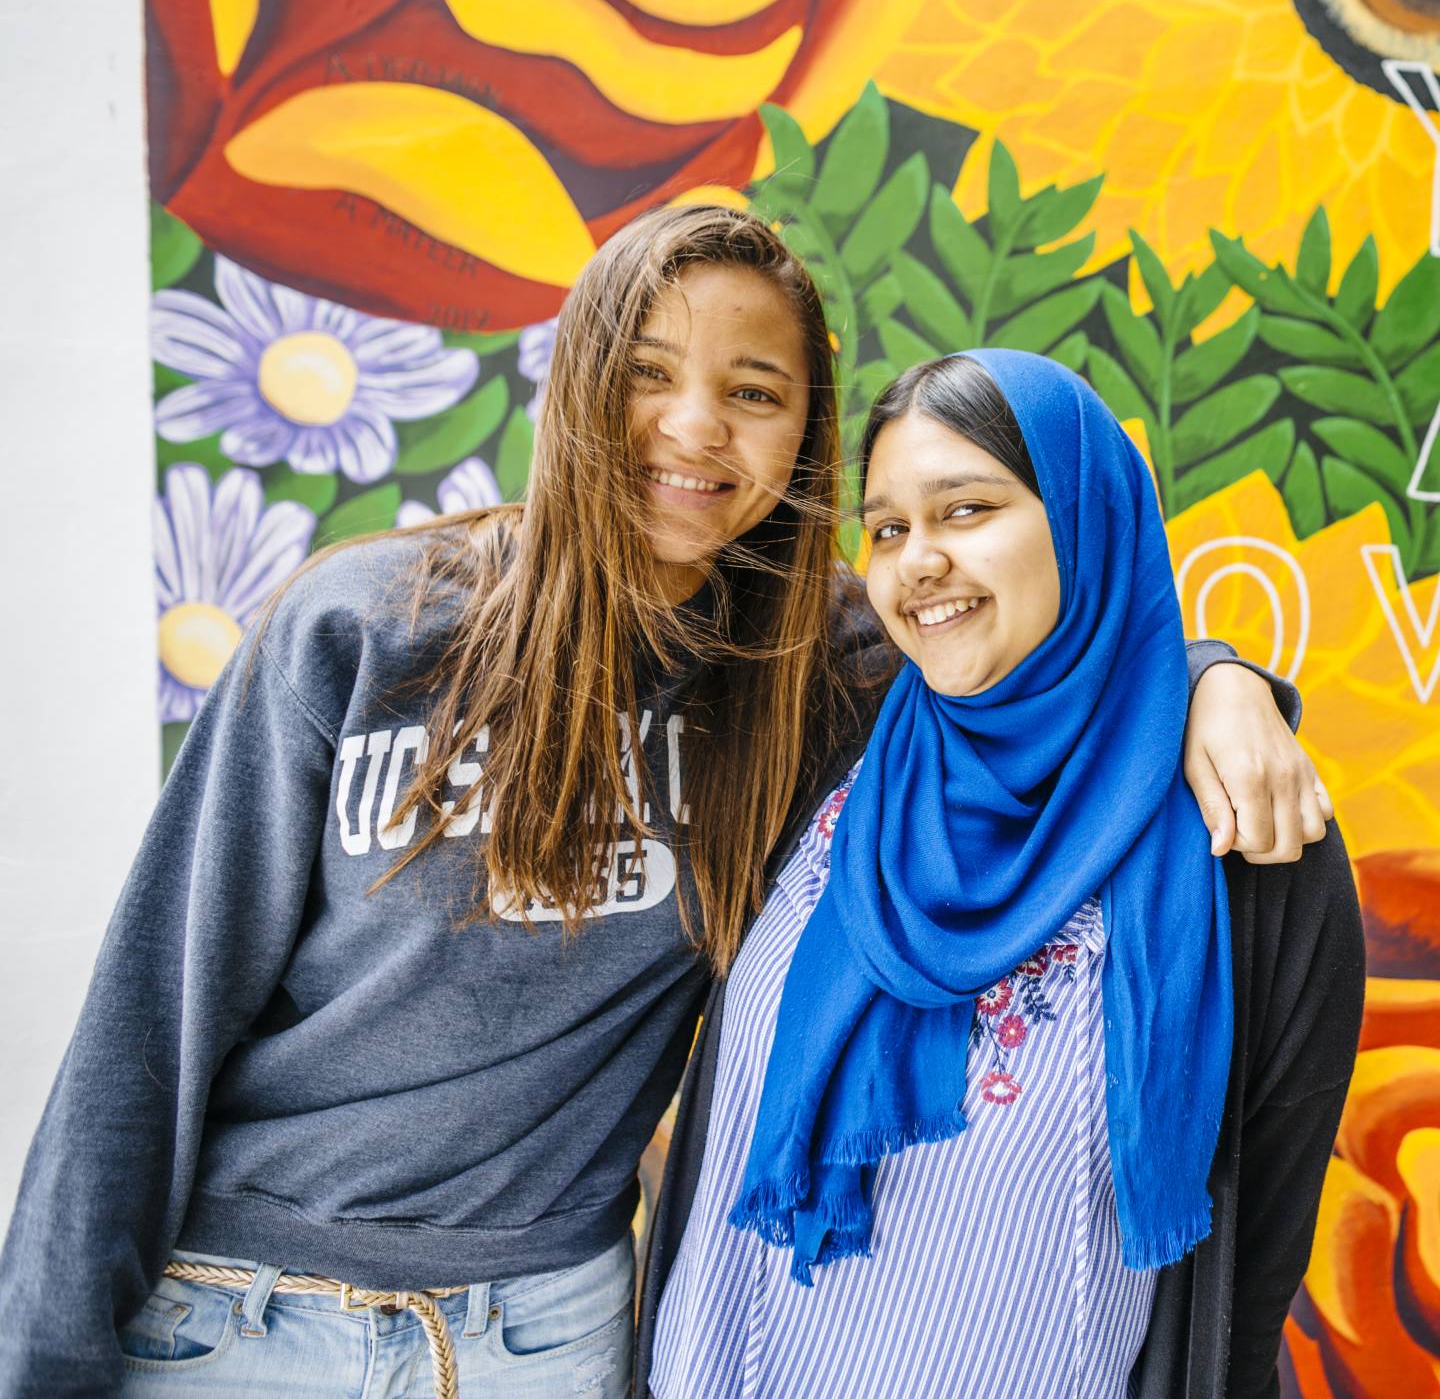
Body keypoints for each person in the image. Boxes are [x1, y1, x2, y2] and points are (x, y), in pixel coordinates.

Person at [0, 213, 1324, 1399]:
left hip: (548, 1330)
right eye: (646, 373)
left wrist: (1218, 681)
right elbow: (149, 1016)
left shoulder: (816, 678)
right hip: (244, 1311)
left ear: (802, 432)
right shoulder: (366, 630)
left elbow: (1047, 634)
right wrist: (46, 1357)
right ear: (577, 385)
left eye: (754, 392)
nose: (695, 429)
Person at [642, 351, 1364, 1399]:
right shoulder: (831, 737)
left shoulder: (1242, 841)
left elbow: (1256, 1260)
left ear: (1084, 517)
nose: (915, 561)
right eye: (887, 529)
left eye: (966, 508)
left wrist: (1214, 680)